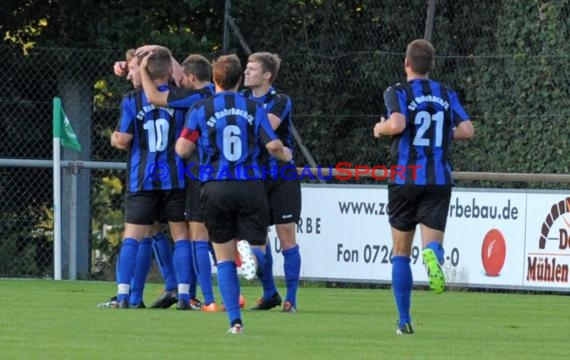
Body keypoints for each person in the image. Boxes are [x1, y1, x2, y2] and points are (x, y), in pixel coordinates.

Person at [175, 54, 292, 333]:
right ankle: (251, 254)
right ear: (240, 80)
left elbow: (181, 149)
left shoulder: (200, 109)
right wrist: (285, 154)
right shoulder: (253, 107)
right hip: (250, 186)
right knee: (258, 249)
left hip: (215, 188)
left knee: (224, 257)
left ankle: (235, 322)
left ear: (214, 79)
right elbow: (273, 144)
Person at [373, 39, 475, 335]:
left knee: (401, 253)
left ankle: (404, 320)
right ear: (431, 66)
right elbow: (467, 130)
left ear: (406, 63)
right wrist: (443, 134)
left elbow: (398, 124)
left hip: (405, 179)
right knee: (432, 243)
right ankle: (432, 254)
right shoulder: (445, 93)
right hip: (438, 180)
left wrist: (379, 128)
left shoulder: (397, 91)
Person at [139, 53, 222, 312]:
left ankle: (202, 298)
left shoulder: (195, 99)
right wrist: (163, 51)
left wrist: (142, 68)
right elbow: (176, 72)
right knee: (207, 238)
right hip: (226, 175)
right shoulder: (219, 94)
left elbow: (153, 97)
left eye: (183, 77)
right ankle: (192, 294)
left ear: (191, 78)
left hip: (199, 174)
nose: (178, 80)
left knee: (196, 237)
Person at [111, 47, 190, 309]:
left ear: (143, 70)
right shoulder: (181, 97)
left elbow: (122, 140)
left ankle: (124, 295)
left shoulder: (132, 100)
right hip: (176, 179)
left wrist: (114, 138)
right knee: (181, 238)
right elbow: (180, 75)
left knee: (132, 238)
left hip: (142, 179)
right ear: (167, 71)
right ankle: (183, 295)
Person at [243, 52, 301, 313]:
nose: (246, 72)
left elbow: (267, 126)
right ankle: (269, 293)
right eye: (245, 68)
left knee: (287, 236)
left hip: (281, 177)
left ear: (267, 75)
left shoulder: (279, 100)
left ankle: (291, 299)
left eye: (252, 69)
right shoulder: (242, 100)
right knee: (257, 240)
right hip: (254, 177)